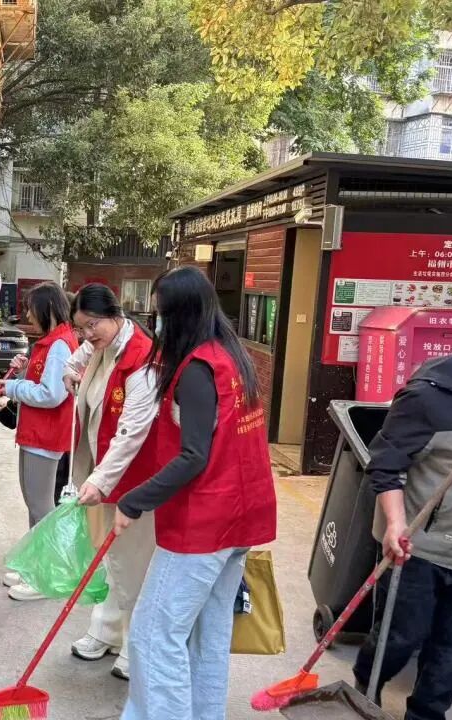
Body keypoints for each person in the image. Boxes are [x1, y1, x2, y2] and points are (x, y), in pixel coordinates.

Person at [114, 266, 277, 720]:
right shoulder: (232, 356)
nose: (156, 322)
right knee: (209, 634)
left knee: (154, 634)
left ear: (180, 314)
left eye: (160, 313)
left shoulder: (197, 370)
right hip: (240, 517)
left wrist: (134, 500)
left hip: (204, 523)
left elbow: (193, 456)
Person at [351, 319, 452, 720]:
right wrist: (395, 524)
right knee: (400, 638)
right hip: (417, 547)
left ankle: (426, 714)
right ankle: (366, 683)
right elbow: (386, 465)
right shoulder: (428, 396)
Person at [61, 283, 161, 681]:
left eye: (92, 325)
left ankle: (138, 647)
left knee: (134, 564)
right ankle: (106, 632)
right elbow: (81, 354)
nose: (87, 335)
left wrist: (101, 480)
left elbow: (132, 432)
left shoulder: (142, 358)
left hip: (134, 478)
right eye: (80, 328)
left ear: (115, 316)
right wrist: (70, 370)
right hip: (102, 472)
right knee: (109, 558)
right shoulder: (101, 345)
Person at [0, 281, 79, 601]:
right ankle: (34, 567)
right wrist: (21, 372)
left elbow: (52, 394)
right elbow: (40, 381)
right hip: (35, 434)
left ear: (46, 309)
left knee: (42, 507)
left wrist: (13, 389)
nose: (28, 316)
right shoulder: (49, 343)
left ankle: (47, 577)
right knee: (34, 504)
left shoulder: (60, 345)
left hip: (46, 436)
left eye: (31, 309)